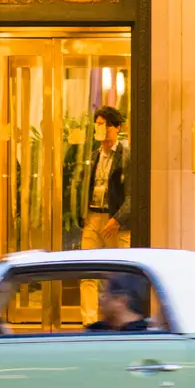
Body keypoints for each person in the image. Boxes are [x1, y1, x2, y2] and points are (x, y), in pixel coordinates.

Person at [79, 107, 131, 252]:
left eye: (108, 125)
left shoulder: (126, 156)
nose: (104, 129)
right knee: (88, 265)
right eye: (99, 125)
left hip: (114, 218)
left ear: (117, 128)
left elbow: (133, 195)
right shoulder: (93, 156)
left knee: (118, 266)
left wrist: (118, 219)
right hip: (93, 217)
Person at [84, 273, 152, 332]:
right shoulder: (97, 329)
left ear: (120, 301)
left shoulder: (141, 337)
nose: (100, 299)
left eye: (105, 294)